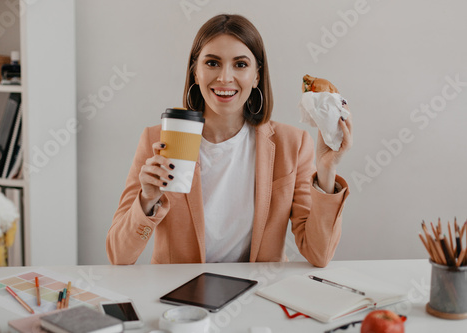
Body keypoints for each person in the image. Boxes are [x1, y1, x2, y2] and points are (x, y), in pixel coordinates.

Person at [107, 14, 352, 267]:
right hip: (180, 297)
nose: (225, 77)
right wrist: (147, 200)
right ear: (195, 73)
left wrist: (326, 171)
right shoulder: (157, 140)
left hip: (256, 295)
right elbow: (119, 255)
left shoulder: (292, 144)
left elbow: (318, 254)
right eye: (212, 63)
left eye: (240, 65)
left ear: (257, 75)